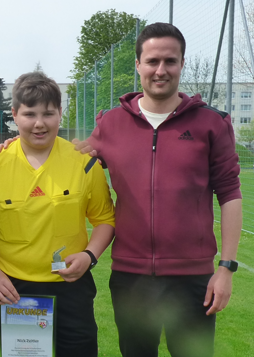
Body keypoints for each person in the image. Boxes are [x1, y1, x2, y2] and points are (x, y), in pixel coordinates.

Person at [75, 23, 242, 357]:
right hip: (131, 278)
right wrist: (16, 145)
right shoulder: (111, 123)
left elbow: (230, 194)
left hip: (192, 278)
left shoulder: (212, 123)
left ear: (182, 63)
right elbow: (67, 158)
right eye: (152, 61)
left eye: (170, 61)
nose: (160, 70)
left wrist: (226, 267)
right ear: (138, 65)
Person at [0, 72, 115, 357]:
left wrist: (89, 256)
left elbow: (105, 219)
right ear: (14, 115)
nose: (39, 123)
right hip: (12, 289)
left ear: (60, 114)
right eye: (29, 114)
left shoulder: (85, 163)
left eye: (48, 113)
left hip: (70, 287)